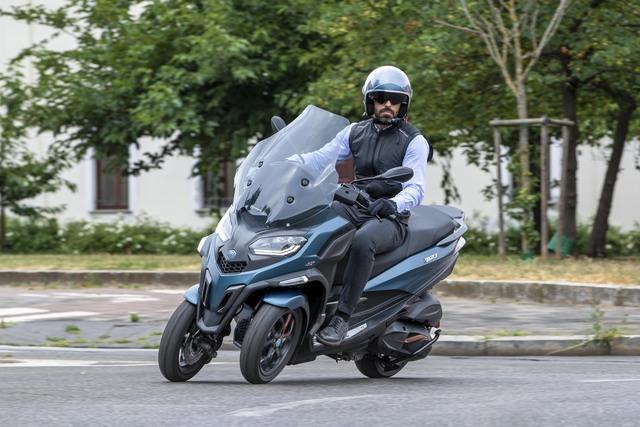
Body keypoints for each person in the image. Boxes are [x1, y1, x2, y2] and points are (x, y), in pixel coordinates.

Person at [299, 65, 432, 346]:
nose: (387, 104)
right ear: (370, 101)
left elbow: (416, 188)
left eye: (395, 100)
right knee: (315, 225)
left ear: (403, 104)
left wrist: (393, 204)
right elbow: (320, 159)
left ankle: (341, 318)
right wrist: (287, 163)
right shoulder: (354, 132)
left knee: (363, 241)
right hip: (356, 204)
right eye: (380, 98)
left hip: (391, 217)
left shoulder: (414, 140)